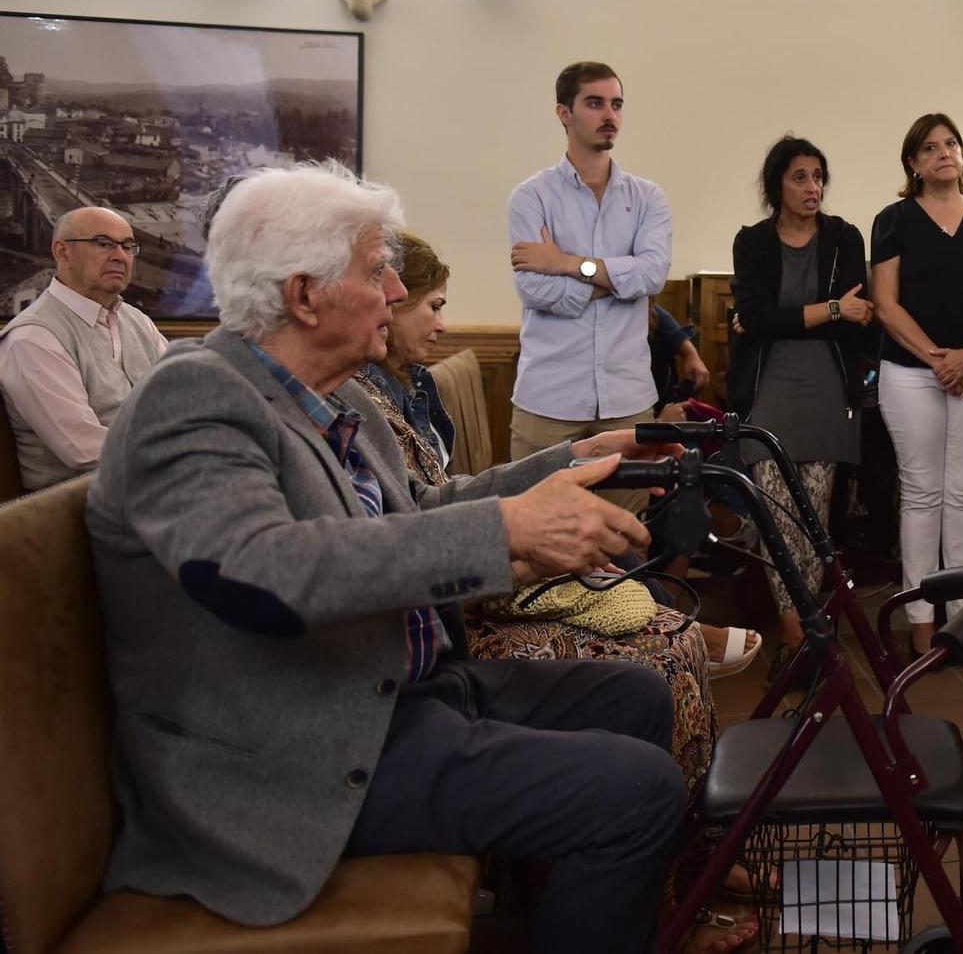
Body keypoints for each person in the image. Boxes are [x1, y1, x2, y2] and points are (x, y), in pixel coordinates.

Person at [84, 161, 734, 954]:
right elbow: (263, 570)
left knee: (635, 697)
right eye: (375, 270)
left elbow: (420, 509)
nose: (395, 289)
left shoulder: (337, 396)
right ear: (304, 294)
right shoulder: (193, 396)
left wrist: (579, 457)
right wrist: (505, 532)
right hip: (297, 757)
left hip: (394, 691)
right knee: (639, 791)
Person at [354, 231, 722, 786]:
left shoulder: (370, 392)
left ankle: (691, 824)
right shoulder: (340, 401)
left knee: (648, 628)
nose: (394, 299)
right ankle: (675, 821)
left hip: (440, 623)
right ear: (305, 295)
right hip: (421, 661)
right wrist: (516, 550)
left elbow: (431, 500)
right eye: (379, 283)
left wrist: (589, 452)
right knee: (660, 656)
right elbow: (386, 552)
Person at [729, 135, 871, 663]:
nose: (813, 187)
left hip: (828, 392)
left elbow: (857, 317)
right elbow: (757, 317)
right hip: (769, 392)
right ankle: (798, 638)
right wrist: (830, 309)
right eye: (800, 177)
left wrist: (780, 319)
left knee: (812, 522)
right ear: (777, 186)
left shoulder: (843, 237)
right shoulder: (753, 242)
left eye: (818, 177)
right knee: (776, 519)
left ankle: (803, 639)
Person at [870, 113, 963, 654]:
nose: (943, 153)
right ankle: (922, 625)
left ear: (962, 155)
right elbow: (885, 304)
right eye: (929, 148)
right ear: (913, 163)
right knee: (923, 494)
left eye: (951, 144)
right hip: (910, 374)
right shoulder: (894, 219)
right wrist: (938, 361)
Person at [508, 61, 672, 460]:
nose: (610, 115)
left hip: (627, 398)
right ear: (564, 113)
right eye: (595, 103)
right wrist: (618, 281)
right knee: (538, 503)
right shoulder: (531, 197)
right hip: (549, 398)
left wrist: (566, 263)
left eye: (617, 104)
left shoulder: (649, 198)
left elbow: (652, 276)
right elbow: (533, 288)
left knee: (631, 504)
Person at [0, 206, 169, 490]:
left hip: (155, 484)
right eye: (103, 244)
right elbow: (85, 451)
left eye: (128, 246)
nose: (120, 256)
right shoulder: (32, 338)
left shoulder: (137, 320)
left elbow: (181, 400)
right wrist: (183, 455)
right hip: (81, 504)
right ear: (62, 252)